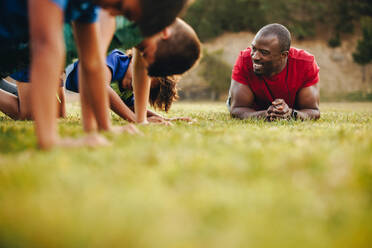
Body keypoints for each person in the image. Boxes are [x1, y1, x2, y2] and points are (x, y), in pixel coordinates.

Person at [0, 0, 189, 149]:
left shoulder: (91, 7)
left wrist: (101, 129)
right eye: (122, 7)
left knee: (57, 112)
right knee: (30, 113)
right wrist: (50, 140)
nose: (115, 14)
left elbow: (91, 64)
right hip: (16, 50)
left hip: (13, 54)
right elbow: (45, 44)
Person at [0, 17, 200, 124]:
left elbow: (141, 74)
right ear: (164, 34)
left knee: (57, 116)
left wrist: (146, 119)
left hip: (56, 54)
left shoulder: (140, 37)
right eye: (156, 63)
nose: (150, 67)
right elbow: (93, 75)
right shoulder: (117, 53)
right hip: (39, 42)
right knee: (30, 115)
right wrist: (130, 121)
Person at [227, 23, 320, 121]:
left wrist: (290, 114)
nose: (255, 56)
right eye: (253, 49)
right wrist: (266, 114)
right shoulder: (244, 59)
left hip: (290, 108)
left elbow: (313, 111)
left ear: (283, 55)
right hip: (254, 109)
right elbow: (237, 109)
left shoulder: (305, 63)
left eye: (264, 52)